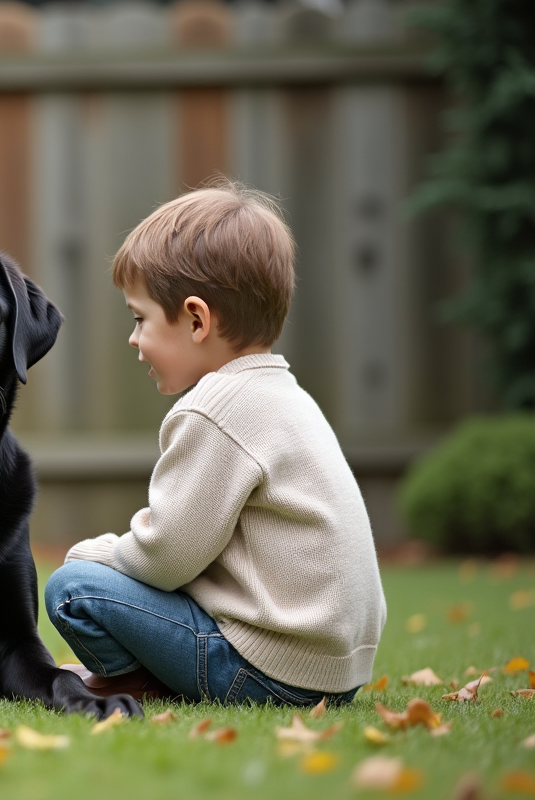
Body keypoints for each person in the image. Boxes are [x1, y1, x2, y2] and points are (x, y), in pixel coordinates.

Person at [45, 179, 386, 707]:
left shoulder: (216, 409)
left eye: (140, 319)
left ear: (197, 319)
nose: (134, 339)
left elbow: (167, 557)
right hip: (335, 671)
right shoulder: (288, 397)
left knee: (72, 589)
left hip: (270, 672)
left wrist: (93, 553)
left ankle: (140, 680)